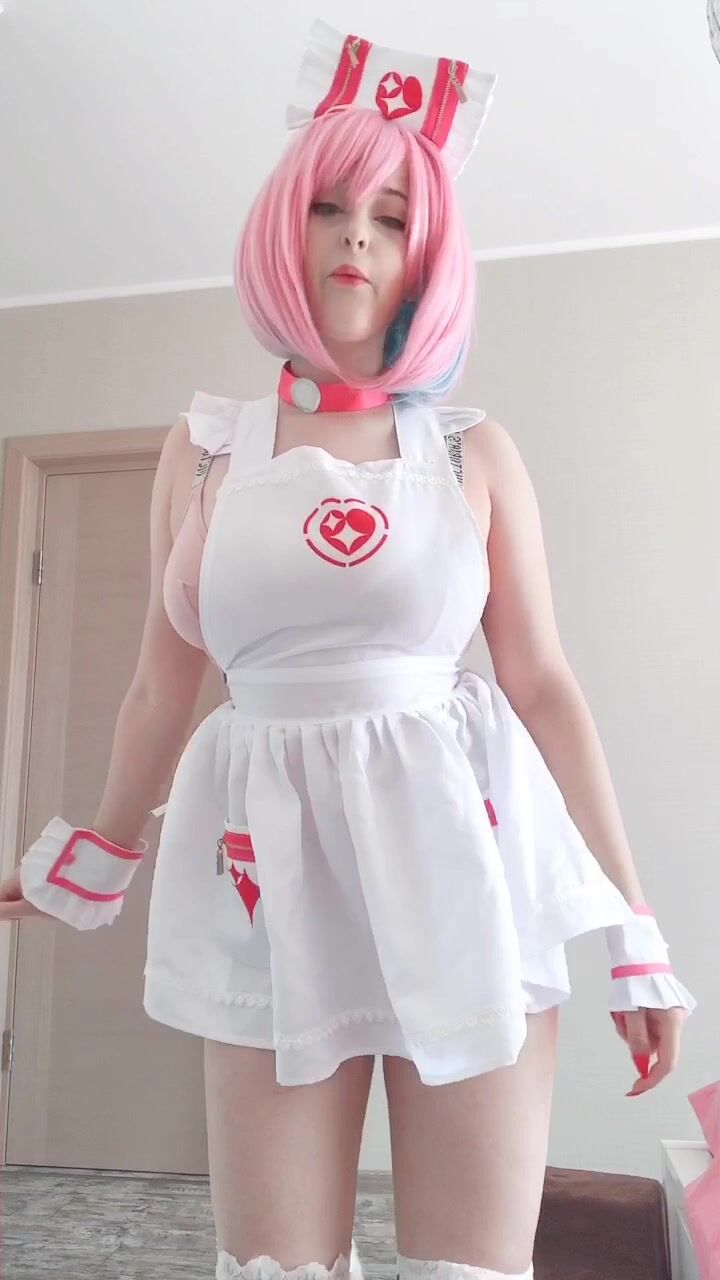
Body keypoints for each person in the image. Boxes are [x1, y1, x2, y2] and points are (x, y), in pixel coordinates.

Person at [1, 19, 697, 1280]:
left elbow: (542, 683)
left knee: (470, 1268)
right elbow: (163, 678)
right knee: (273, 1267)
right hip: (266, 861)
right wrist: (95, 852)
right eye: (330, 206)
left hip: (466, 864)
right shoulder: (205, 449)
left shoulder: (474, 452)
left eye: (391, 213)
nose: (358, 236)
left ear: (428, 250)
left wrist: (635, 927)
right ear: (287, 226)